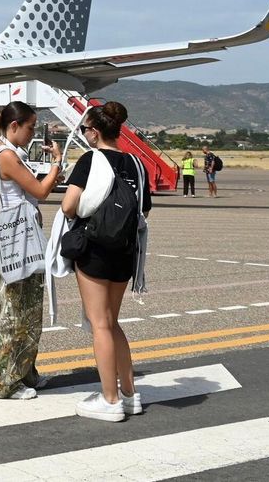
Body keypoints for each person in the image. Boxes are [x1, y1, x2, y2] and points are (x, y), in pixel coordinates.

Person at [58, 100, 152, 422]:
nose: (84, 135)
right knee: (112, 322)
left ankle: (109, 400)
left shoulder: (90, 159)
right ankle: (129, 394)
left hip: (95, 250)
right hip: (126, 253)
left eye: (85, 130)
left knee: (99, 324)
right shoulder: (136, 164)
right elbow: (144, 208)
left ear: (95, 132)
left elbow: (68, 206)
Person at [0, 102, 63, 401]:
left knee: (28, 305)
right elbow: (41, 191)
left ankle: (25, 370)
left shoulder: (7, 152)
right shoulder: (7, 156)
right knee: (18, 310)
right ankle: (3, 381)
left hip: (19, 231)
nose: (32, 134)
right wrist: (56, 163)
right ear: (14, 126)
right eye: (30, 127)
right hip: (18, 234)